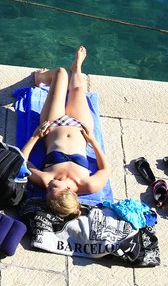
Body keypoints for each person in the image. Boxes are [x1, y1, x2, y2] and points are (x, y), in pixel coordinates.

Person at [20, 46, 110, 218]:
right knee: (77, 89)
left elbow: (21, 163)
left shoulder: (46, 180)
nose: (49, 187)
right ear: (68, 190)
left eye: (47, 192)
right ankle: (77, 67)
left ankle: (40, 77)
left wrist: (35, 137)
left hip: (53, 125)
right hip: (80, 127)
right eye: (54, 188)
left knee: (60, 74)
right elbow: (105, 169)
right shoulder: (88, 184)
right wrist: (92, 141)